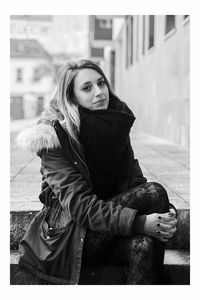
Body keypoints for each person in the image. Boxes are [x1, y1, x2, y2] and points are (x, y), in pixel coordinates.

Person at [16, 59, 177, 285]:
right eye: (87, 88)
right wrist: (141, 223)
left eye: (101, 83)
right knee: (154, 193)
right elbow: (81, 207)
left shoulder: (114, 124)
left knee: (144, 245)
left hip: (109, 226)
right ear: (72, 97)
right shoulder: (55, 138)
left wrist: (164, 217)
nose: (99, 92)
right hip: (71, 236)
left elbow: (135, 183)